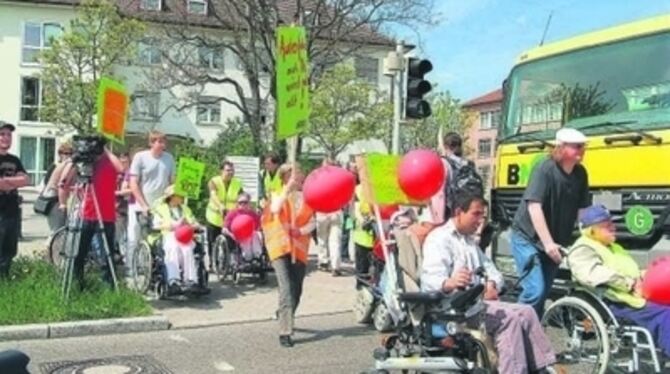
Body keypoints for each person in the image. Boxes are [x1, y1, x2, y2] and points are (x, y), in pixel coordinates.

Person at [421, 192, 557, 373]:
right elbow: (429, 279)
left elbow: (493, 271)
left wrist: (492, 284)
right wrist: (450, 282)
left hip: (476, 305)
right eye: (475, 214)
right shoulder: (439, 239)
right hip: (453, 311)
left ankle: (542, 366)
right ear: (459, 212)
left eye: (482, 216)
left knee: (527, 311)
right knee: (509, 319)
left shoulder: (469, 242)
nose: (480, 221)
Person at [567, 204, 670, 357]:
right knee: (665, 313)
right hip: (612, 302)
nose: (613, 227)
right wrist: (630, 284)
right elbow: (593, 275)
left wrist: (651, 276)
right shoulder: (582, 249)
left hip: (630, 297)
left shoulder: (614, 247)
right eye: (607, 225)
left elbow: (632, 271)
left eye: (612, 223)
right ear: (592, 230)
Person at [511, 128, 590, 317]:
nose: (582, 150)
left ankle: (532, 338)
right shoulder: (544, 169)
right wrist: (547, 243)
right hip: (527, 238)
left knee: (543, 293)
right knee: (534, 291)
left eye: (583, 147)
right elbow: (534, 206)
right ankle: (511, 333)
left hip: (555, 241)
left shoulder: (581, 174)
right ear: (561, 148)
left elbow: (582, 211)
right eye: (577, 147)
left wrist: (588, 237)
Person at [58, 138, 124, 289]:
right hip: (87, 213)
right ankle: (76, 283)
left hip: (106, 215)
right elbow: (64, 178)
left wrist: (104, 149)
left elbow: (120, 168)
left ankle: (109, 286)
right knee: (79, 253)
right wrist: (76, 158)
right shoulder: (88, 164)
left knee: (106, 255)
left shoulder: (108, 162)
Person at [261, 164, 315, 348]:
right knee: (285, 288)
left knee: (296, 289)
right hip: (279, 248)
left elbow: (313, 221)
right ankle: (285, 331)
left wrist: (301, 230)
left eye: (300, 173)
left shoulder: (307, 197)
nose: (300, 176)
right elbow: (275, 208)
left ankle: (284, 313)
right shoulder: (277, 193)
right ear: (285, 177)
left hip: (298, 249)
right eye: (295, 174)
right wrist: (287, 188)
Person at [127, 131, 176, 281]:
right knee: (135, 234)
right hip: (140, 203)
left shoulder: (169, 158)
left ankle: (154, 267)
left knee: (159, 235)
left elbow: (172, 182)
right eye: (159, 141)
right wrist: (143, 204)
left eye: (163, 141)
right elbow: (133, 183)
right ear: (151, 143)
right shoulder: (140, 157)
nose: (162, 144)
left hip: (160, 205)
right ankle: (131, 268)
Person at [153, 185, 205, 294]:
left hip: (185, 235)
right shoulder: (160, 209)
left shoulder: (185, 209)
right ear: (172, 196)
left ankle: (191, 280)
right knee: (174, 247)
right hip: (169, 234)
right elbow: (155, 225)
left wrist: (193, 226)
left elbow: (194, 223)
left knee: (187, 250)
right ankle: (173, 281)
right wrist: (174, 225)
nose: (183, 196)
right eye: (180, 194)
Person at [430, 132, 483, 225]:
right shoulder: (469, 164)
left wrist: (438, 221)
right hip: (468, 215)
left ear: (445, 146)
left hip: (452, 216)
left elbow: (440, 195)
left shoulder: (444, 163)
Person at [0, 121, 29, 278]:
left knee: (9, 250)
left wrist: (5, 183)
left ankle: (4, 283)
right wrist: (14, 181)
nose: (6, 138)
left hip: (11, 212)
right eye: (2, 134)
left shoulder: (14, 160)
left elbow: (26, 180)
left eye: (9, 135)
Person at [205, 161, 244, 268]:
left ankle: (230, 262)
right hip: (214, 216)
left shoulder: (237, 183)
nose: (230, 172)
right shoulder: (214, 181)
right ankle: (213, 263)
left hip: (230, 217)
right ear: (221, 171)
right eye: (228, 170)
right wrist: (220, 206)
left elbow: (241, 197)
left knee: (231, 240)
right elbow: (213, 195)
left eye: (232, 170)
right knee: (212, 241)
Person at [316, 158, 343, 276]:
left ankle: (323, 261)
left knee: (322, 238)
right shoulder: (339, 179)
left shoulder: (317, 178)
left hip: (322, 211)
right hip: (336, 211)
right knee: (335, 240)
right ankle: (335, 266)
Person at [42, 143, 73, 236]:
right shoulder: (57, 166)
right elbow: (47, 181)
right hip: (53, 200)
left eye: (70, 153)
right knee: (57, 229)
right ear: (60, 154)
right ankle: (50, 248)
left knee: (59, 228)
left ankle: (51, 247)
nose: (68, 156)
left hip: (57, 199)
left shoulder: (66, 165)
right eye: (66, 153)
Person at [223, 192, 263, 260]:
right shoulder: (232, 214)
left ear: (249, 203)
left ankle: (257, 255)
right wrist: (231, 235)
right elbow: (224, 229)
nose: (242, 204)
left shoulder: (253, 214)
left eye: (245, 202)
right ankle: (247, 257)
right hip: (237, 235)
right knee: (246, 237)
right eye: (240, 202)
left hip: (251, 234)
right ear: (237, 203)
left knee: (255, 234)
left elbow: (259, 226)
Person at [352, 182, 374, 287]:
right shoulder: (358, 189)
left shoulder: (380, 189)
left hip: (377, 235)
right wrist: (363, 221)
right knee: (362, 264)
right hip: (362, 234)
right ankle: (361, 286)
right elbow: (355, 209)